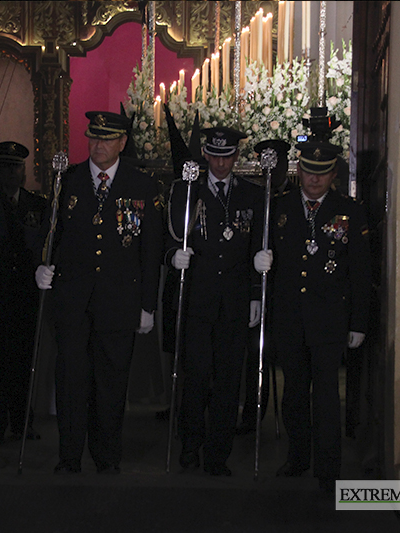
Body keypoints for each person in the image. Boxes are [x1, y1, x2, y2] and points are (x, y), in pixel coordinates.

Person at [35, 111, 162, 474]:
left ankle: (107, 457)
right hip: (73, 301)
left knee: (111, 383)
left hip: (119, 302)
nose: (98, 146)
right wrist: (40, 266)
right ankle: (69, 456)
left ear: (122, 143)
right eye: (93, 138)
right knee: (72, 381)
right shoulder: (68, 180)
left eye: (106, 139)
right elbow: (49, 234)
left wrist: (147, 305)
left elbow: (150, 250)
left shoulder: (142, 186)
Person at [254, 137, 371, 492]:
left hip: (330, 318)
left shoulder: (349, 211)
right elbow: (266, 254)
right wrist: (262, 265)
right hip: (290, 316)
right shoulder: (281, 206)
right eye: (308, 172)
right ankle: (298, 456)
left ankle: (327, 467)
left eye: (321, 174)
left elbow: (361, 271)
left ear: (333, 174)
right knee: (293, 394)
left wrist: (359, 322)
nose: (314, 180)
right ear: (299, 170)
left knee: (325, 395)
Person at [165, 126, 265, 476]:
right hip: (197, 298)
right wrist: (172, 257)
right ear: (205, 155)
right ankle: (190, 445)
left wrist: (256, 292)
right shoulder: (186, 190)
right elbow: (171, 238)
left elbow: (258, 248)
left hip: (236, 299)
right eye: (215, 156)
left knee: (227, 380)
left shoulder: (252, 196)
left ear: (236, 157)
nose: (221, 163)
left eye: (228, 156)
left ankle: (218, 454)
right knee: (195, 376)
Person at [0, 141, 46, 443]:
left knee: (24, 361)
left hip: (25, 294)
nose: (11, 173)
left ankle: (23, 421)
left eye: (16, 167)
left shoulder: (37, 205)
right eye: (4, 167)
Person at [237, 138, 293, 435]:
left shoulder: (293, 197)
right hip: (258, 289)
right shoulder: (255, 197)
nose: (273, 168)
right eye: (267, 162)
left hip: (285, 289)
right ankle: (252, 412)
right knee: (253, 355)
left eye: (278, 162)